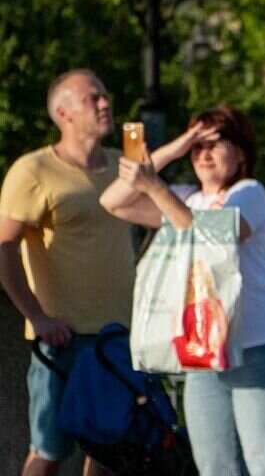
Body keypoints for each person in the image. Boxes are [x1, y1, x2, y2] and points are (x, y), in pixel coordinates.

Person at [99, 106, 265, 475]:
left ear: (241, 152)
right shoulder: (185, 197)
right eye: (197, 148)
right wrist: (175, 148)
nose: (203, 154)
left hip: (258, 349)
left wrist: (155, 186)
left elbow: (213, 236)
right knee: (213, 467)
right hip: (203, 351)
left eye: (214, 144)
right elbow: (112, 200)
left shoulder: (250, 193)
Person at [0, 69, 132, 476]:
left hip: (117, 335)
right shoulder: (33, 170)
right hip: (63, 339)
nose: (105, 103)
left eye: (105, 94)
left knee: (110, 452)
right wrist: (37, 317)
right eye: (92, 98)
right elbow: (3, 248)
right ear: (63, 112)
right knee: (49, 450)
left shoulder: (123, 166)